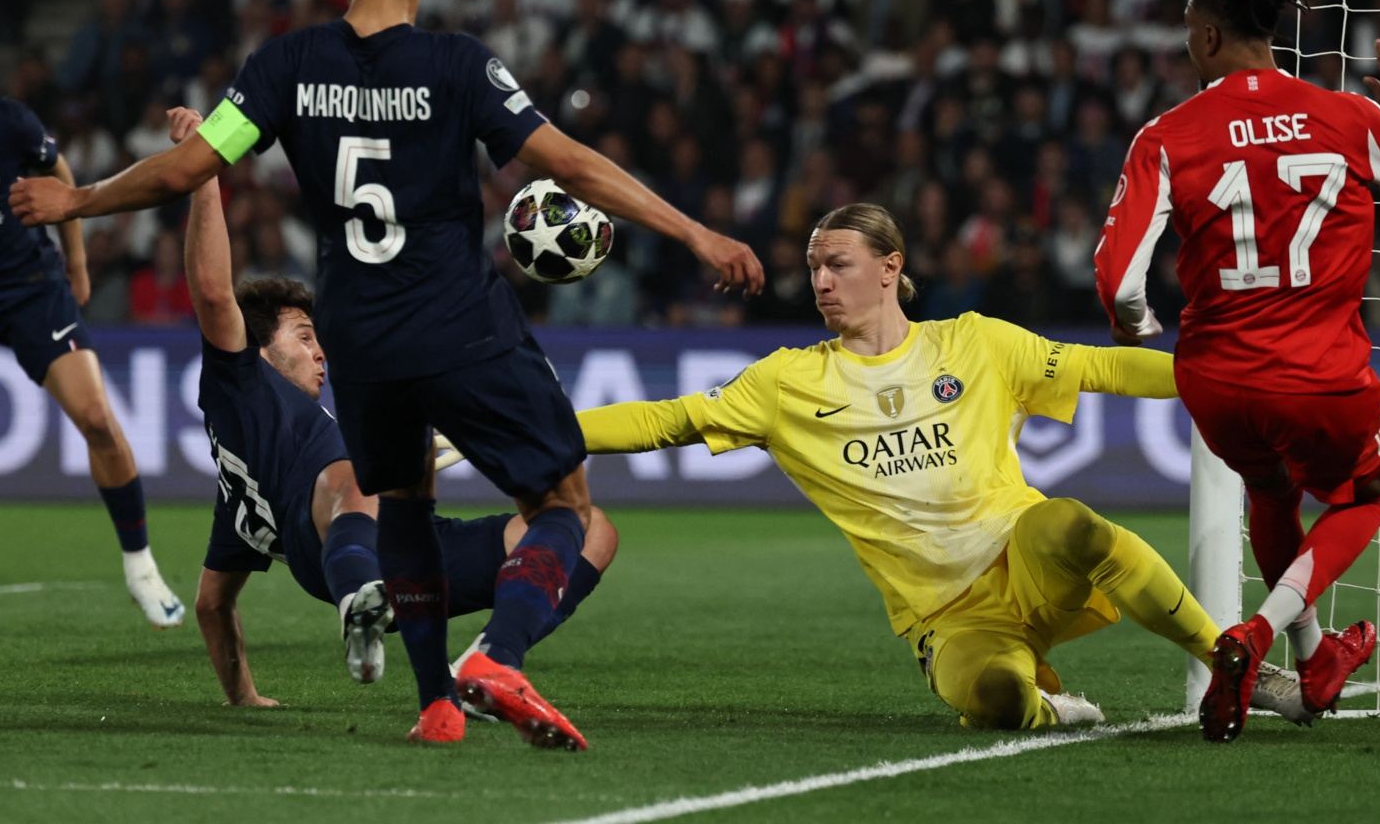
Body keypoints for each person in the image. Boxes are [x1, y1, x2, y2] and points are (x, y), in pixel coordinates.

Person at [12, 0, 762, 747]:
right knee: (567, 504)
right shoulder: (459, 64)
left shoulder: (285, 64)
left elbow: (186, 168)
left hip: (360, 336)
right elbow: (571, 163)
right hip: (458, 320)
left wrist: (78, 198)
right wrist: (696, 232)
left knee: (403, 505)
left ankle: (436, 704)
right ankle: (499, 653)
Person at [446, 203, 1305, 730]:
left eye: (838, 264)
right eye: (814, 267)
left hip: (1024, 556)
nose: (821, 281)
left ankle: (1238, 665)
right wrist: (527, 430)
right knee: (997, 703)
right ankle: (1047, 703)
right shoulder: (786, 382)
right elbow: (665, 419)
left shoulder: (974, 341)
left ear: (891, 268)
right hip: (945, 619)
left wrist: (1221, 377)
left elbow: (1103, 366)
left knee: (1071, 520)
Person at [1093, 0, 1380, 742]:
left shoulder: (1166, 134)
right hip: (1320, 374)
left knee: (1269, 491)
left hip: (1216, 381)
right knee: (1374, 488)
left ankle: (1315, 659)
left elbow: (1121, 280)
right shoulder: (1347, 116)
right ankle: (1257, 634)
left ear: (1207, 37)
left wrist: (1138, 325)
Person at [168, 106, 617, 731]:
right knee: (357, 473)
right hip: (341, 541)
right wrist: (202, 170)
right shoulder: (239, 381)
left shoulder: (239, 489)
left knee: (592, 531)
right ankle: (361, 601)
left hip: (405, 545)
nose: (320, 352)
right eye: (304, 336)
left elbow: (212, 603)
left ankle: (491, 661)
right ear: (258, 347)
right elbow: (215, 293)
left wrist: (242, 696)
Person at [0, 96, 183, 630]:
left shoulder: (8, 121)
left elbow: (57, 168)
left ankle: (141, 568)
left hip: (29, 288)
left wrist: (76, 262)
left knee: (98, 418)